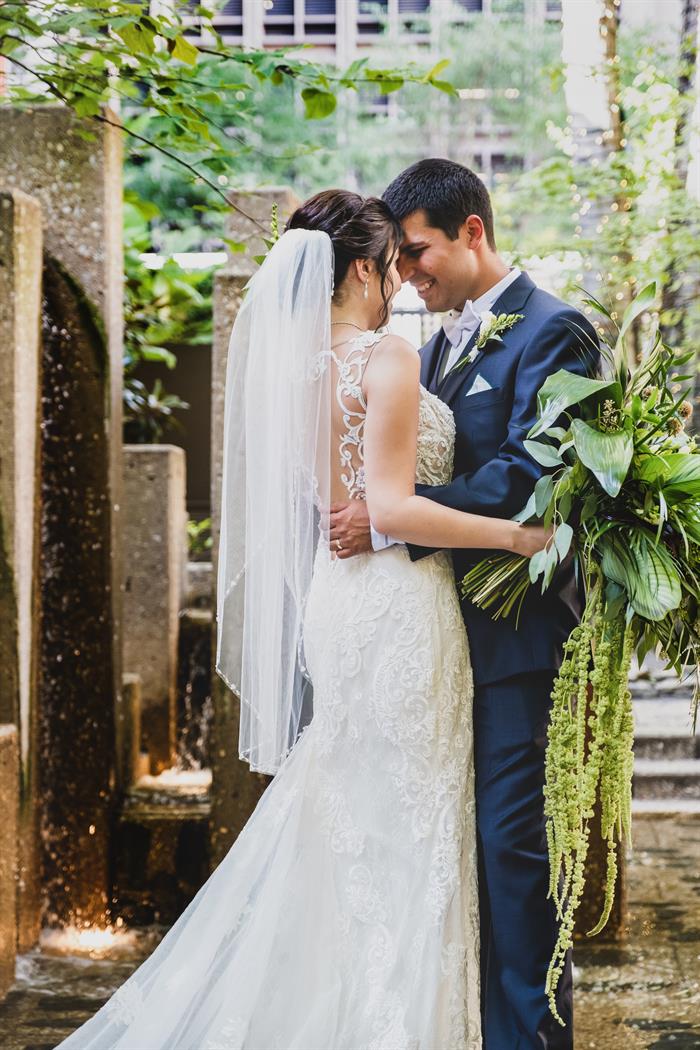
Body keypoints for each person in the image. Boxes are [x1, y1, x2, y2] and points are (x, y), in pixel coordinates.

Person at [56, 189, 549, 1050]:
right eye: (392, 259)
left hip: (342, 600)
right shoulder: (387, 358)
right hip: (397, 603)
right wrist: (518, 535)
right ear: (362, 266)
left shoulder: (288, 371)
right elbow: (391, 508)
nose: (401, 275)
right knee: (407, 820)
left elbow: (350, 503)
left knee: (356, 810)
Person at [330, 160, 599, 1050]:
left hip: (516, 641)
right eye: (399, 260)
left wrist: (391, 521)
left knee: (514, 860)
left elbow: (533, 475)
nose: (406, 275)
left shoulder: (556, 330)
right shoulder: (441, 344)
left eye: (419, 253)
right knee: (451, 858)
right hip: (436, 643)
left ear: (472, 232)